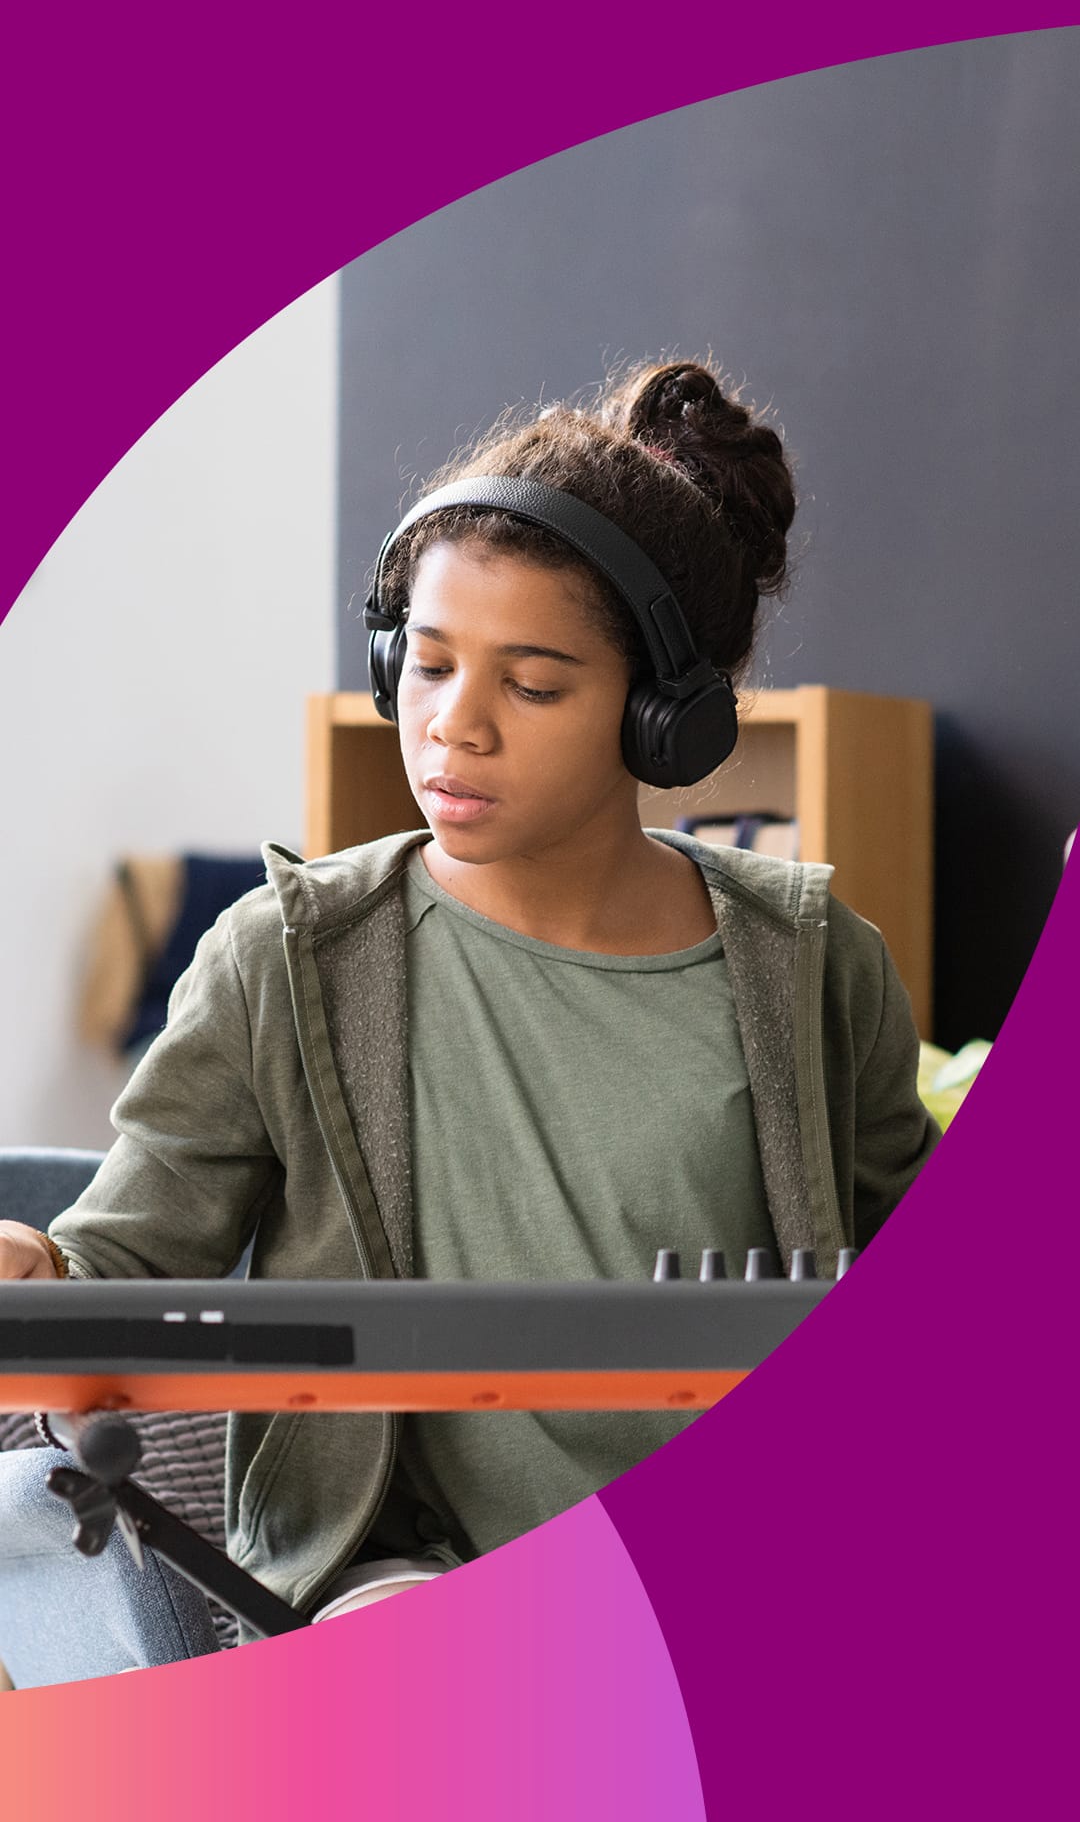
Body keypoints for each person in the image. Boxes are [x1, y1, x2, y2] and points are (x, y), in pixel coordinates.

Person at [0, 359, 940, 1630]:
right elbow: (128, 1261)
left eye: (533, 684)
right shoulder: (284, 956)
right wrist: (41, 1272)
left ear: (667, 719)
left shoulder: (813, 963)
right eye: (429, 666)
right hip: (398, 1578)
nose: (455, 727)